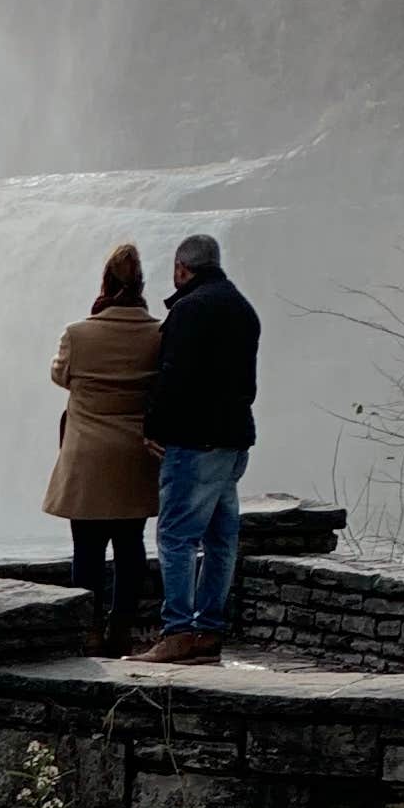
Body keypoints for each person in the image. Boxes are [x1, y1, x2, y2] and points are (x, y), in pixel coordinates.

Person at [142, 227, 264, 664]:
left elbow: (173, 376)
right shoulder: (244, 310)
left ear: (181, 268)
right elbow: (246, 383)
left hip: (195, 441)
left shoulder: (190, 311)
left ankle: (176, 633)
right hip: (234, 441)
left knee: (175, 536)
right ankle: (208, 630)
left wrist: (153, 427)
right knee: (220, 537)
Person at [43, 240, 162, 653]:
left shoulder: (78, 334)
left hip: (87, 458)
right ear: (141, 283)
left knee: (87, 548)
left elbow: (60, 377)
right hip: (134, 457)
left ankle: (90, 628)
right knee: (131, 547)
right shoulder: (159, 334)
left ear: (105, 283)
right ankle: (122, 630)